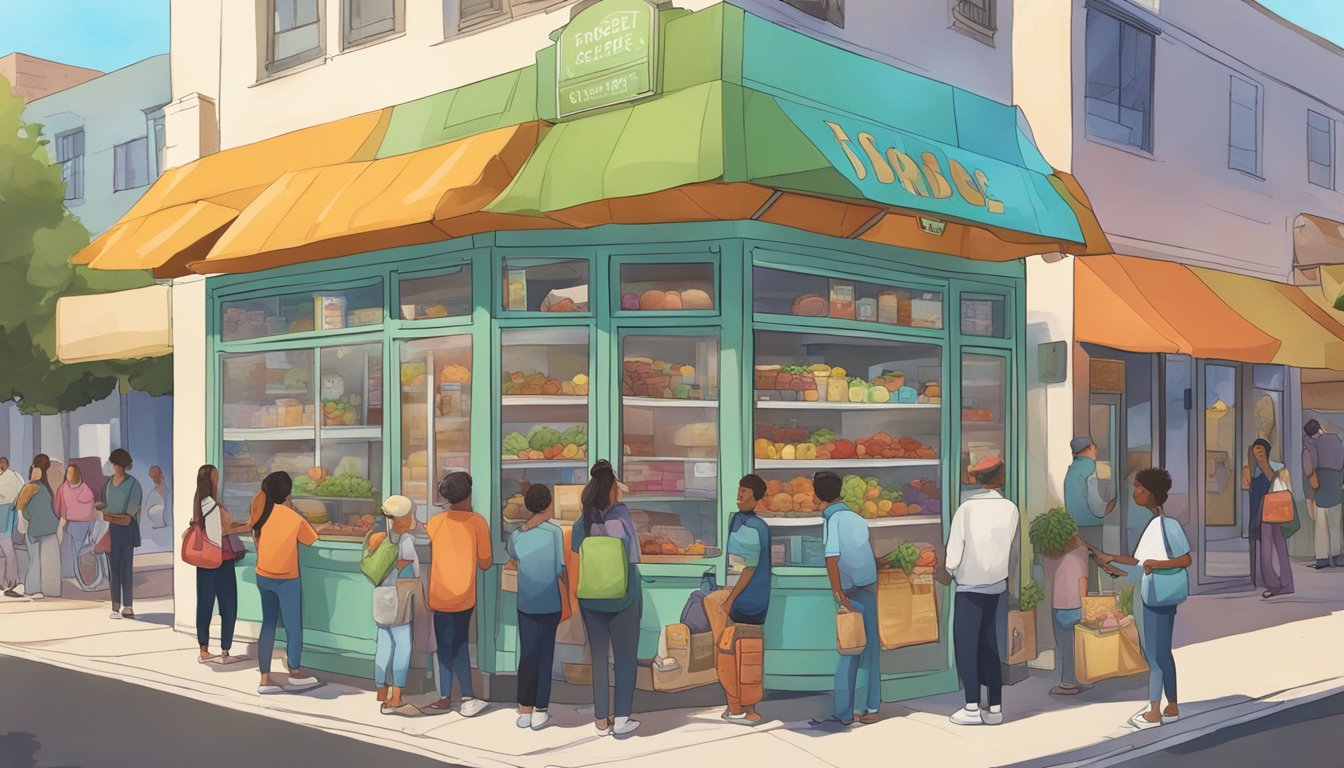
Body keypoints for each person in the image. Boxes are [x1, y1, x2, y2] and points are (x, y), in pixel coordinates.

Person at [1094, 468, 1191, 729]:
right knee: (1163, 653)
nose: (1135, 492)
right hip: (1158, 592)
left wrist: (1154, 564)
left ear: (1153, 494)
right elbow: (1138, 563)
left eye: (1140, 488)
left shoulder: (1167, 525)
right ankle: (1172, 706)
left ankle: (1154, 710)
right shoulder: (1154, 525)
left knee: (1154, 655)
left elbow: (1185, 559)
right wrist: (1112, 560)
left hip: (1157, 595)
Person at [945, 456, 1020, 726]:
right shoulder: (1010, 508)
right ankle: (995, 707)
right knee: (990, 645)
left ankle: (971, 706)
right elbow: (1012, 548)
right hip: (996, 586)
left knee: (966, 646)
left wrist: (952, 571)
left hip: (969, 587)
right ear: (1000, 476)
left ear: (977, 478)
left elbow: (953, 553)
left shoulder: (966, 509)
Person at [571, 459, 642, 737]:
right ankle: (622, 718)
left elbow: (574, 561)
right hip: (624, 597)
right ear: (613, 489)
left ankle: (601, 720)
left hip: (591, 598)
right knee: (625, 658)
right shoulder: (622, 517)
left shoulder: (582, 522)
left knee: (599, 659)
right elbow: (634, 557)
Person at [811, 470, 880, 728]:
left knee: (848, 652)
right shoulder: (857, 518)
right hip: (868, 588)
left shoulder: (833, 520)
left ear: (818, 494)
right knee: (870, 652)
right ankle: (871, 708)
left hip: (850, 593)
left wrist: (838, 592)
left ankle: (843, 713)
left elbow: (831, 558)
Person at [423, 471, 491, 718]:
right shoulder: (478, 522)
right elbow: (485, 562)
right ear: (469, 494)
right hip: (464, 596)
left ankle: (443, 697)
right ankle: (467, 697)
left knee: (443, 646)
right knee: (461, 644)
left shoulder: (435, 522)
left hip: (439, 595)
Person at [251, 471, 321, 694]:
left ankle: (264, 679)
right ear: (288, 494)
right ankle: (295, 672)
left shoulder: (263, 515)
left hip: (263, 575)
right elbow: (312, 539)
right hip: (287, 579)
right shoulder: (293, 517)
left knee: (268, 625)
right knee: (293, 626)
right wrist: (295, 509)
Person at [507, 484, 566, 730]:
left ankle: (524, 709)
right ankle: (541, 709)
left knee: (528, 655)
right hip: (551, 602)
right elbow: (560, 568)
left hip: (526, 603)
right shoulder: (554, 533)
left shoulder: (517, 535)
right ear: (548, 505)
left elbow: (513, 555)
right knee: (545, 656)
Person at [716, 474, 772, 724]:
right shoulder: (736, 520)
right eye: (739, 489)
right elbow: (735, 564)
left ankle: (743, 707)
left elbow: (748, 570)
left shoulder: (754, 527)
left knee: (743, 654)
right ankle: (737, 706)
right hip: (737, 596)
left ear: (756, 497)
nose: (740, 494)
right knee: (734, 653)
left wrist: (730, 599)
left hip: (748, 600)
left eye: (746, 491)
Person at [371, 495, 422, 717]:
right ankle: (396, 696)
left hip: (380, 595)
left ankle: (381, 690)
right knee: (403, 644)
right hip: (398, 596)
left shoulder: (378, 538)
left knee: (383, 643)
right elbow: (416, 571)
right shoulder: (406, 541)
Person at [193, 465, 248, 664]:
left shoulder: (198, 501)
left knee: (204, 604)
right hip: (222, 560)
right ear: (212, 481)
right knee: (228, 605)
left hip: (204, 561)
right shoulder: (214, 505)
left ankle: (204, 649)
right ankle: (225, 650)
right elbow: (221, 532)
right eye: (216, 477)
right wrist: (247, 525)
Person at [1241, 439, 1296, 598]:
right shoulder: (1252, 470)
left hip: (1275, 513)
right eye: (1255, 449)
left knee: (1279, 551)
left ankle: (1284, 585)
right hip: (1263, 514)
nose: (1258, 452)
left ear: (1266, 450)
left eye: (1260, 449)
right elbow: (1245, 487)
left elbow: (1287, 489)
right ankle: (1275, 584)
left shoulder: (1277, 468)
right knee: (1266, 553)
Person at [1063, 437, 1117, 585]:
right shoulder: (1093, 467)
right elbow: (1096, 505)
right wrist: (1113, 505)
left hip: (1076, 525)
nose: (1096, 451)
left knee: (1085, 567)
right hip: (1093, 523)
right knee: (1102, 565)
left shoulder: (1072, 469)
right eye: (1095, 448)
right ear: (1090, 448)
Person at [1044, 535, 1090, 696]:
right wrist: (1084, 605)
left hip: (1062, 605)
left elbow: (1081, 579)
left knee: (1066, 647)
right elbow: (1083, 579)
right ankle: (1082, 679)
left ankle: (1068, 684)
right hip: (1075, 604)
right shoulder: (1081, 552)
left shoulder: (1060, 554)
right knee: (1078, 646)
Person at [100, 449, 142, 619]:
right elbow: (104, 508)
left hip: (127, 531)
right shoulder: (108, 483)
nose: (116, 467)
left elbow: (128, 517)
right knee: (113, 570)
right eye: (115, 464)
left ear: (125, 465)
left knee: (127, 569)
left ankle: (128, 606)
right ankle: (115, 606)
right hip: (111, 532)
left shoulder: (134, 484)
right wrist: (110, 516)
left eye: (119, 464)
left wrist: (111, 516)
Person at [16, 454, 60, 600]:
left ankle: (35, 589)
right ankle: (35, 589)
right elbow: (20, 506)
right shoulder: (37, 487)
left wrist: (22, 522)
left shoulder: (37, 486)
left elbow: (20, 506)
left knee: (37, 559)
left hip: (39, 528)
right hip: (41, 527)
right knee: (39, 559)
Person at [1302, 419, 1344, 569]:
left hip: (1320, 490)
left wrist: (1309, 497)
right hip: (1334, 489)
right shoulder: (1335, 441)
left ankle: (1322, 558)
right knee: (1334, 524)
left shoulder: (1309, 446)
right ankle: (1337, 557)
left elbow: (1308, 471)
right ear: (1320, 428)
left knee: (1321, 527)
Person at [55, 465, 97, 580]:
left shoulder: (63, 489)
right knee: (81, 550)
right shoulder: (86, 489)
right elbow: (91, 508)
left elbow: (58, 508)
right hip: (87, 523)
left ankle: (73, 573)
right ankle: (79, 573)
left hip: (71, 524)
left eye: (69, 472)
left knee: (72, 551)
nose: (68, 475)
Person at [0, 457, 25, 596]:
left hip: (7, 518)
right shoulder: (14, 477)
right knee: (8, 553)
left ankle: (10, 582)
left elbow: (19, 494)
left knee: (9, 552)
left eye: (3, 464)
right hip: (6, 516)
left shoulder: (14, 477)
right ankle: (7, 582)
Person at [146, 465, 171, 531]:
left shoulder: (164, 487)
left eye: (156, 476)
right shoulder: (156, 487)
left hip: (162, 526)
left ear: (160, 474)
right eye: (152, 477)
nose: (154, 479)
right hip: (156, 526)